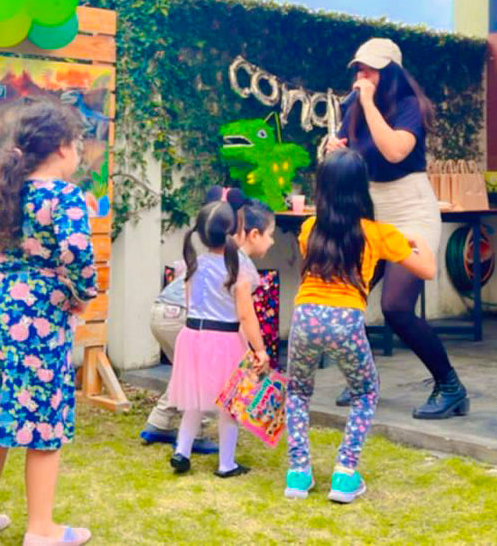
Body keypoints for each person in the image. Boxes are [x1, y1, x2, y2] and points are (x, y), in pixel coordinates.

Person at [0, 100, 99, 546]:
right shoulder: (63, 197)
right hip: (39, 318)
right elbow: (77, 255)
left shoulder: (1, 187)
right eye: (78, 144)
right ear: (63, 147)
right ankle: (42, 529)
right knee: (41, 424)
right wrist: (82, 297)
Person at [323, 37, 469, 420]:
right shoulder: (351, 107)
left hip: (412, 214)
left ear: (390, 73)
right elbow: (351, 158)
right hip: (371, 214)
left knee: (396, 308)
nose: (361, 75)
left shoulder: (410, 107)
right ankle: (362, 379)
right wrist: (332, 150)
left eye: (369, 69)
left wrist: (368, 103)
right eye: (358, 68)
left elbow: (393, 152)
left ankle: (450, 386)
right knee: (344, 299)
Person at [285, 149, 436, 504]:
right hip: (346, 318)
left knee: (297, 393)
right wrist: (417, 239)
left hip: (305, 314)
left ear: (322, 189)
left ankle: (298, 473)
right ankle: (344, 474)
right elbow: (427, 269)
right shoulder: (377, 234)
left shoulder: (308, 229)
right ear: (362, 189)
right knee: (365, 392)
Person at [164, 199, 272, 477]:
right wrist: (260, 350)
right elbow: (246, 317)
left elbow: (191, 301)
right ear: (234, 231)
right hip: (223, 340)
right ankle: (226, 464)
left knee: (193, 401)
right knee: (230, 405)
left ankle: (182, 451)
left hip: (191, 336)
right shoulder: (238, 269)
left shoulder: (192, 264)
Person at [140, 186, 251, 452]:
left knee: (187, 375)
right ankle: (195, 434)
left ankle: (160, 423)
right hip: (184, 317)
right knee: (201, 379)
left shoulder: (199, 256)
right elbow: (242, 312)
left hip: (162, 310)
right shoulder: (234, 259)